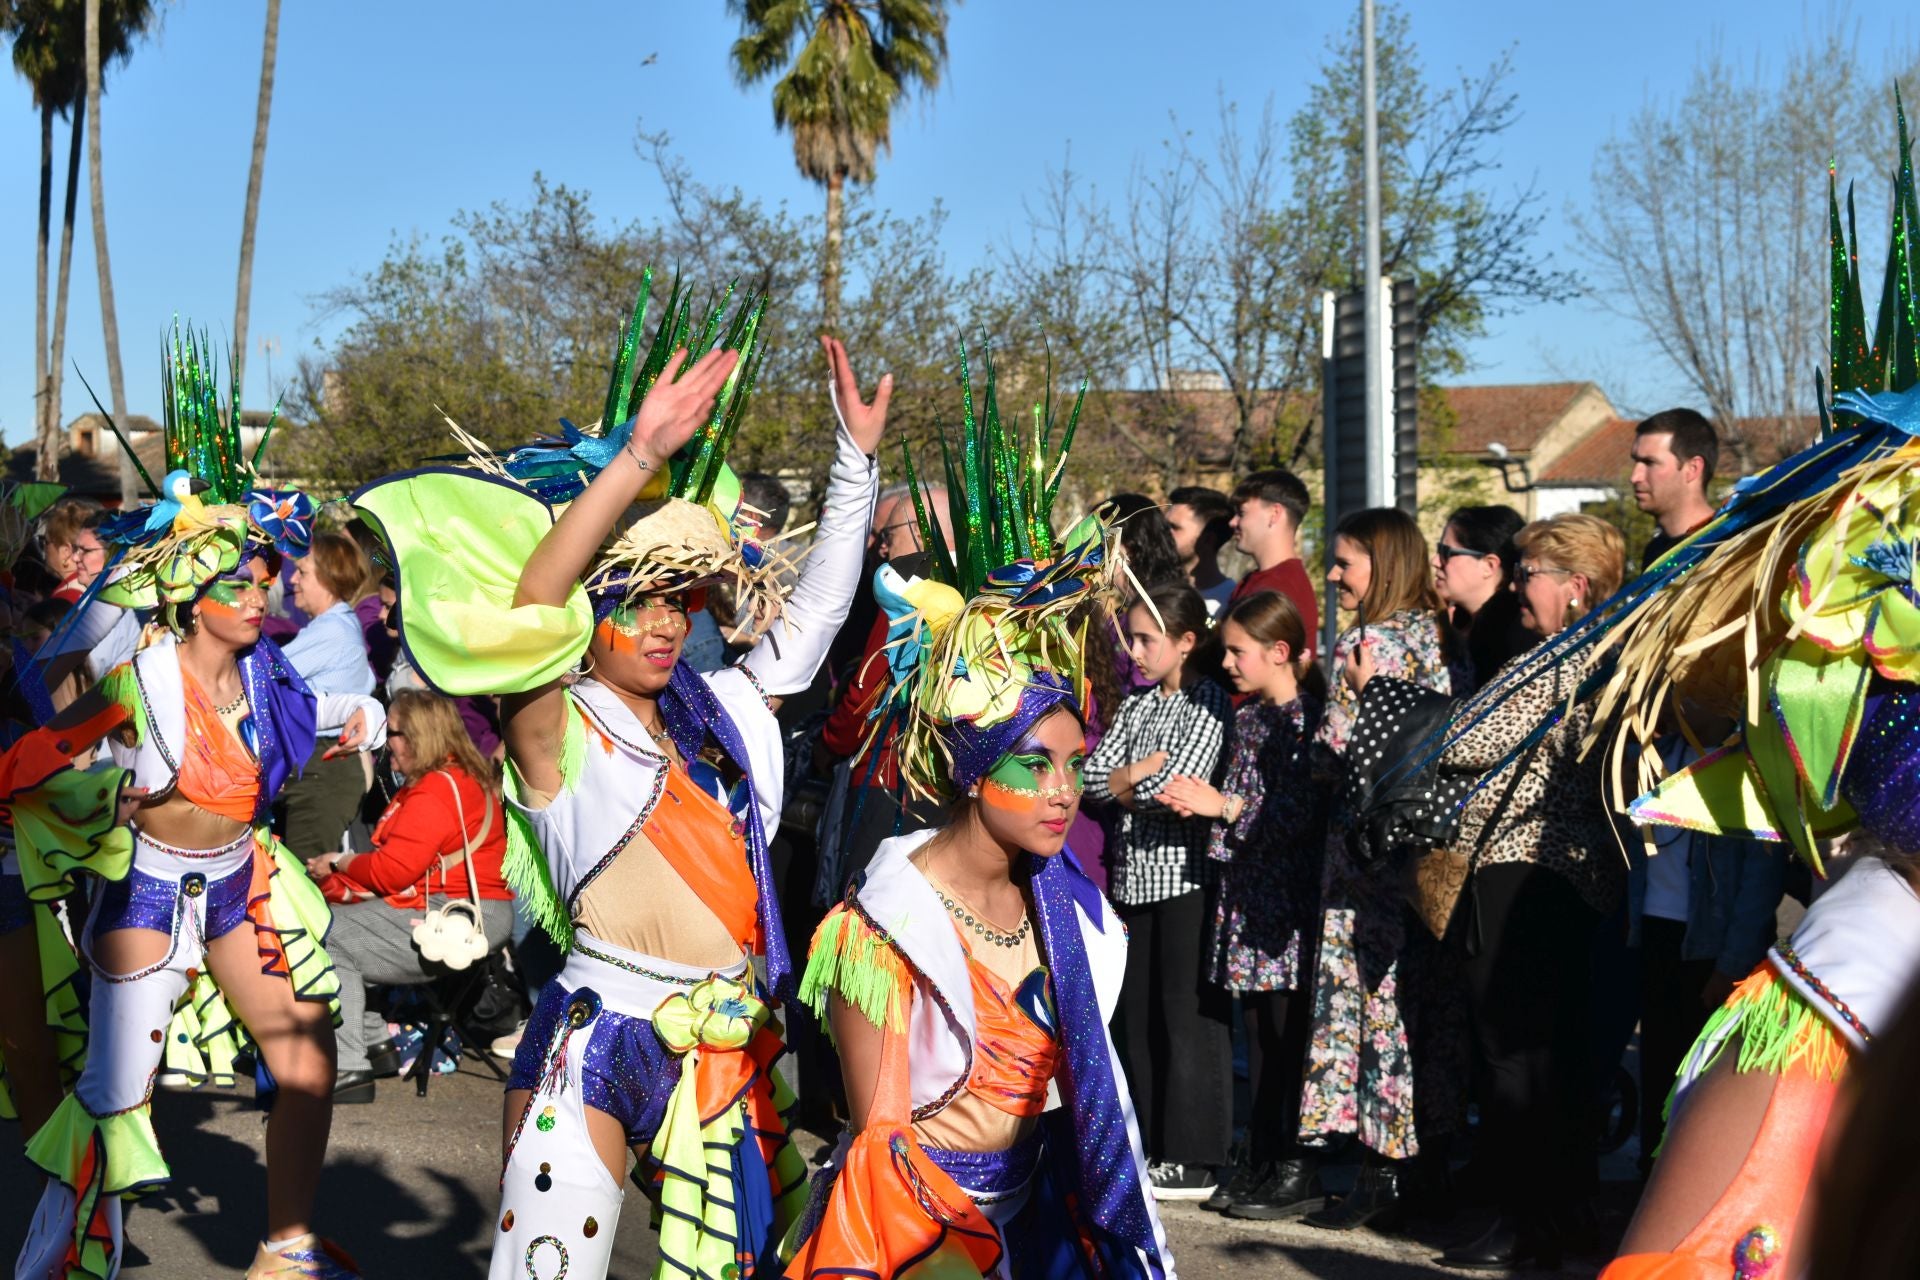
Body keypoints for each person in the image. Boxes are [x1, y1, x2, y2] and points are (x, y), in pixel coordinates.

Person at [356, 293, 880, 1280]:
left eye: (680, 599)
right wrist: (636, 457)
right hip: (594, 1041)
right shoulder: (557, 728)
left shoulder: (734, 712)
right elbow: (533, 602)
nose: (666, 623)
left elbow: (817, 614)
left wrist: (856, 462)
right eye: (636, 601)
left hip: (725, 1049)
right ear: (591, 611)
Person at [785, 346, 1173, 1279]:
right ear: (970, 771)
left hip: (1041, 1231)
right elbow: (881, 1153)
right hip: (919, 1242)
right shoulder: (878, 930)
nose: (1062, 790)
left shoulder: (1069, 906)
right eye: (1033, 765)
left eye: (1074, 765)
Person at [21, 326, 385, 1280]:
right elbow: (43, 734)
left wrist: (368, 714)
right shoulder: (142, 675)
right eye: (237, 583)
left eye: (263, 581)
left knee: (306, 1058)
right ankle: (61, 1261)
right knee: (116, 1093)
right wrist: (92, 786)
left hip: (236, 887)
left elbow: (329, 705)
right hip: (146, 890)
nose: (259, 596)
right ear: (190, 592)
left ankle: (287, 1248)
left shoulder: (269, 675)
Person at [1428, 512, 1626, 1270]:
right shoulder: (1598, 654)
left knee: (1514, 1053)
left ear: (1576, 585)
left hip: (1527, 873)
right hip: (1565, 877)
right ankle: (1561, 1217)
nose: (1517, 587)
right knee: (1556, 1057)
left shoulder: (1564, 661)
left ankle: (1523, 1221)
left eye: (1530, 573)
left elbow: (1466, 739)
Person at [1291, 506, 1465, 1229]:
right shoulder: (1437, 637)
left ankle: (1378, 1172)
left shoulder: (1369, 644)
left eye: (1345, 562)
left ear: (1382, 564)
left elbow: (1334, 755)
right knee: (1410, 1008)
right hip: (1421, 855)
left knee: (1368, 1009)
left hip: (1364, 861)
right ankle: (1416, 1163)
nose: (1332, 575)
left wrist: (1335, 707)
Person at [1161, 590, 1328, 1216]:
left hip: (1284, 906)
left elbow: (1299, 814)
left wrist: (1222, 807)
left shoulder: (1307, 719)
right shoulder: (1252, 715)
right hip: (1248, 893)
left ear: (1279, 652)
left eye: (1238, 651)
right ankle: (1261, 1153)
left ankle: (1294, 1162)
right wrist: (1206, 804)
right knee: (1259, 1034)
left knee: (1287, 1035)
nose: (1227, 662)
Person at [1084, 582, 1232, 1202]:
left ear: (1187, 641)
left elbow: (1176, 790)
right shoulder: (1139, 705)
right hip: (1134, 878)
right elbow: (1092, 779)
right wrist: (1137, 775)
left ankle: (1195, 1154)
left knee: (1185, 1016)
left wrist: (1134, 781)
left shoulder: (1209, 701)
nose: (1136, 652)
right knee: (1137, 1018)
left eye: (1147, 639)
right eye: (1132, 639)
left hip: (1185, 879)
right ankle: (1148, 1141)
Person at [305, 689, 512, 1105]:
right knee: (343, 930)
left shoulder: (436, 789)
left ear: (417, 736)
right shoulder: (463, 777)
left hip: (457, 916)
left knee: (323, 934)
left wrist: (340, 862)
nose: (386, 743)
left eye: (393, 733)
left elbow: (391, 873)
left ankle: (349, 1066)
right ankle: (376, 1045)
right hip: (474, 911)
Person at [278, 532, 379, 859]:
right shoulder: (336, 624)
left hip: (325, 766)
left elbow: (264, 677)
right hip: (322, 765)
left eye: (302, 572)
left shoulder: (332, 630)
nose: (292, 580)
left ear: (329, 578)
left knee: (307, 874)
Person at [1431, 504, 1534, 691]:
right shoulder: (1453, 624)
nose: (1435, 561)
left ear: (1489, 565)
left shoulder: (1511, 640)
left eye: (1446, 553)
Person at [1227, 468, 1319, 640]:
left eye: (1241, 513)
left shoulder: (1281, 588)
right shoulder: (1258, 580)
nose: (1233, 522)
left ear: (1274, 514)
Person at [1630, 408, 1718, 571]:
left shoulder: (1725, 547)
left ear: (1692, 469)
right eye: (1636, 462)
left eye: (1650, 463)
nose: (1635, 477)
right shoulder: (1655, 551)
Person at [1165, 485, 1236, 617]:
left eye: (1174, 528)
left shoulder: (1232, 601)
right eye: (1164, 526)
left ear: (1208, 539)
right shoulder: (1154, 591)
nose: (1164, 534)